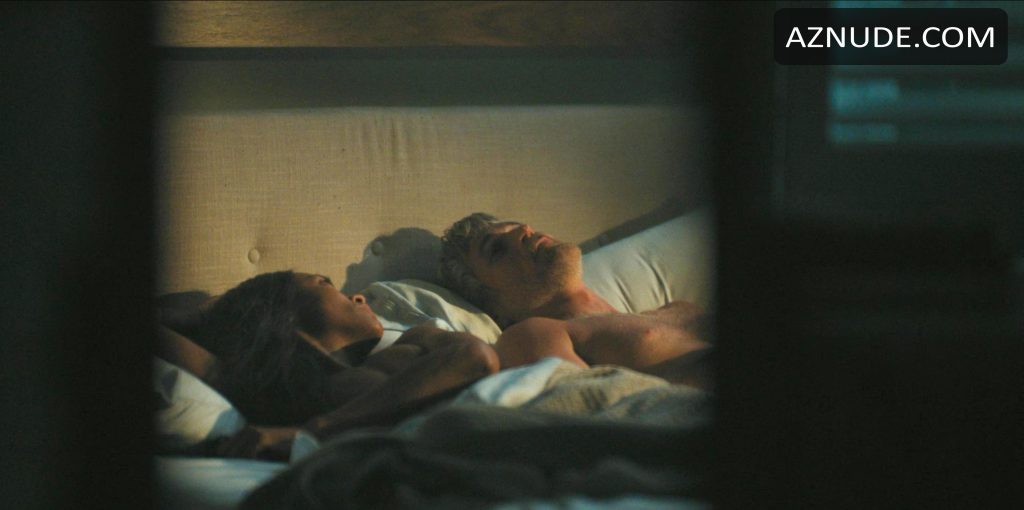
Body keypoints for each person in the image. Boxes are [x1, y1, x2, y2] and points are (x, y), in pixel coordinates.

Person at [157, 270, 499, 458]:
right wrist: (219, 311)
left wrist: (317, 430)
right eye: (324, 283)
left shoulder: (416, 341)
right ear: (280, 312)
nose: (358, 296)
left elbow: (479, 359)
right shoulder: (260, 384)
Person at [440, 213, 713, 389]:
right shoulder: (533, 336)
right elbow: (608, 414)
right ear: (496, 309)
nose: (524, 229)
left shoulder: (677, 309)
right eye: (497, 249)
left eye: (518, 225)